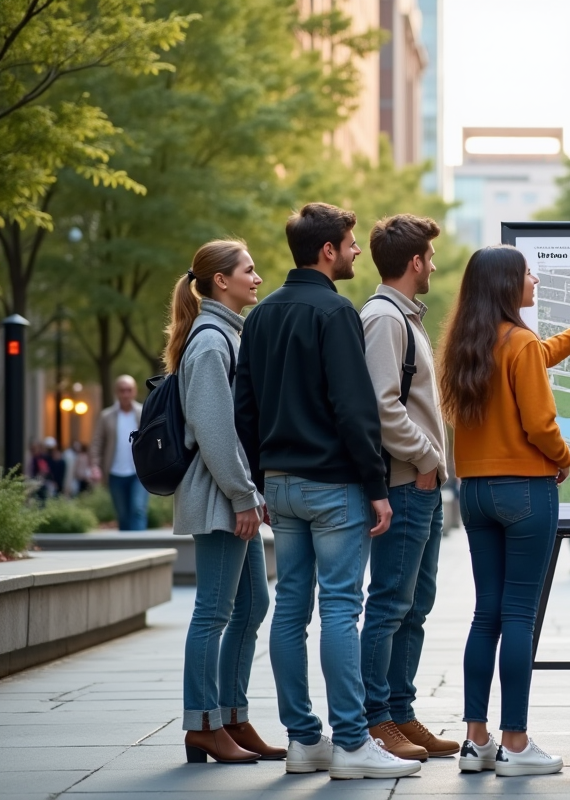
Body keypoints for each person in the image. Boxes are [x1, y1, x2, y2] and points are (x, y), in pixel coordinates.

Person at [235, 202, 419, 781]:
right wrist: (376, 485)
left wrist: (261, 478)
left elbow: (245, 409)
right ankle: (351, 742)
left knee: (291, 608)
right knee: (342, 607)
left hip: (281, 485)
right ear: (327, 251)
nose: (357, 251)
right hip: (334, 484)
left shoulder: (260, 316)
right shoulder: (336, 313)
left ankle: (302, 741)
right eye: (350, 242)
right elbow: (354, 407)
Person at [439, 245, 570, 777]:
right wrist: (563, 460)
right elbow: (541, 424)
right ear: (505, 284)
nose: (534, 279)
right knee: (518, 615)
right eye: (525, 274)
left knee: (485, 613)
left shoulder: (465, 345)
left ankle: (477, 741)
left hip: (475, 493)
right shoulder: (518, 342)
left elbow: (539, 354)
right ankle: (515, 744)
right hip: (525, 491)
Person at [168, 239, 280, 764]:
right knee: (213, 612)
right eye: (248, 270)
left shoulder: (223, 336)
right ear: (221, 281)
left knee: (253, 604)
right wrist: (242, 496)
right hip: (221, 497)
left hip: (234, 496)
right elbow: (213, 430)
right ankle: (202, 724)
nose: (256, 278)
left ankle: (232, 717)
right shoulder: (212, 342)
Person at [358, 214, 458, 762]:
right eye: (430, 257)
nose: (435, 266)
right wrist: (424, 458)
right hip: (405, 483)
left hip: (422, 483)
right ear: (414, 262)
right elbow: (381, 404)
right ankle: (377, 722)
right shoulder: (383, 318)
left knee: (415, 604)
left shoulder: (404, 317)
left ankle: (400, 711)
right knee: (391, 604)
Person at [91, 374, 149, 530]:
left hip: (139, 473)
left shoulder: (143, 412)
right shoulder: (106, 416)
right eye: (122, 390)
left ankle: (138, 546)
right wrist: (95, 466)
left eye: (129, 390)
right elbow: (97, 443)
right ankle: (127, 548)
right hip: (115, 473)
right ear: (116, 392)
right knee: (122, 514)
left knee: (138, 509)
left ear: (134, 391)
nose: (125, 394)